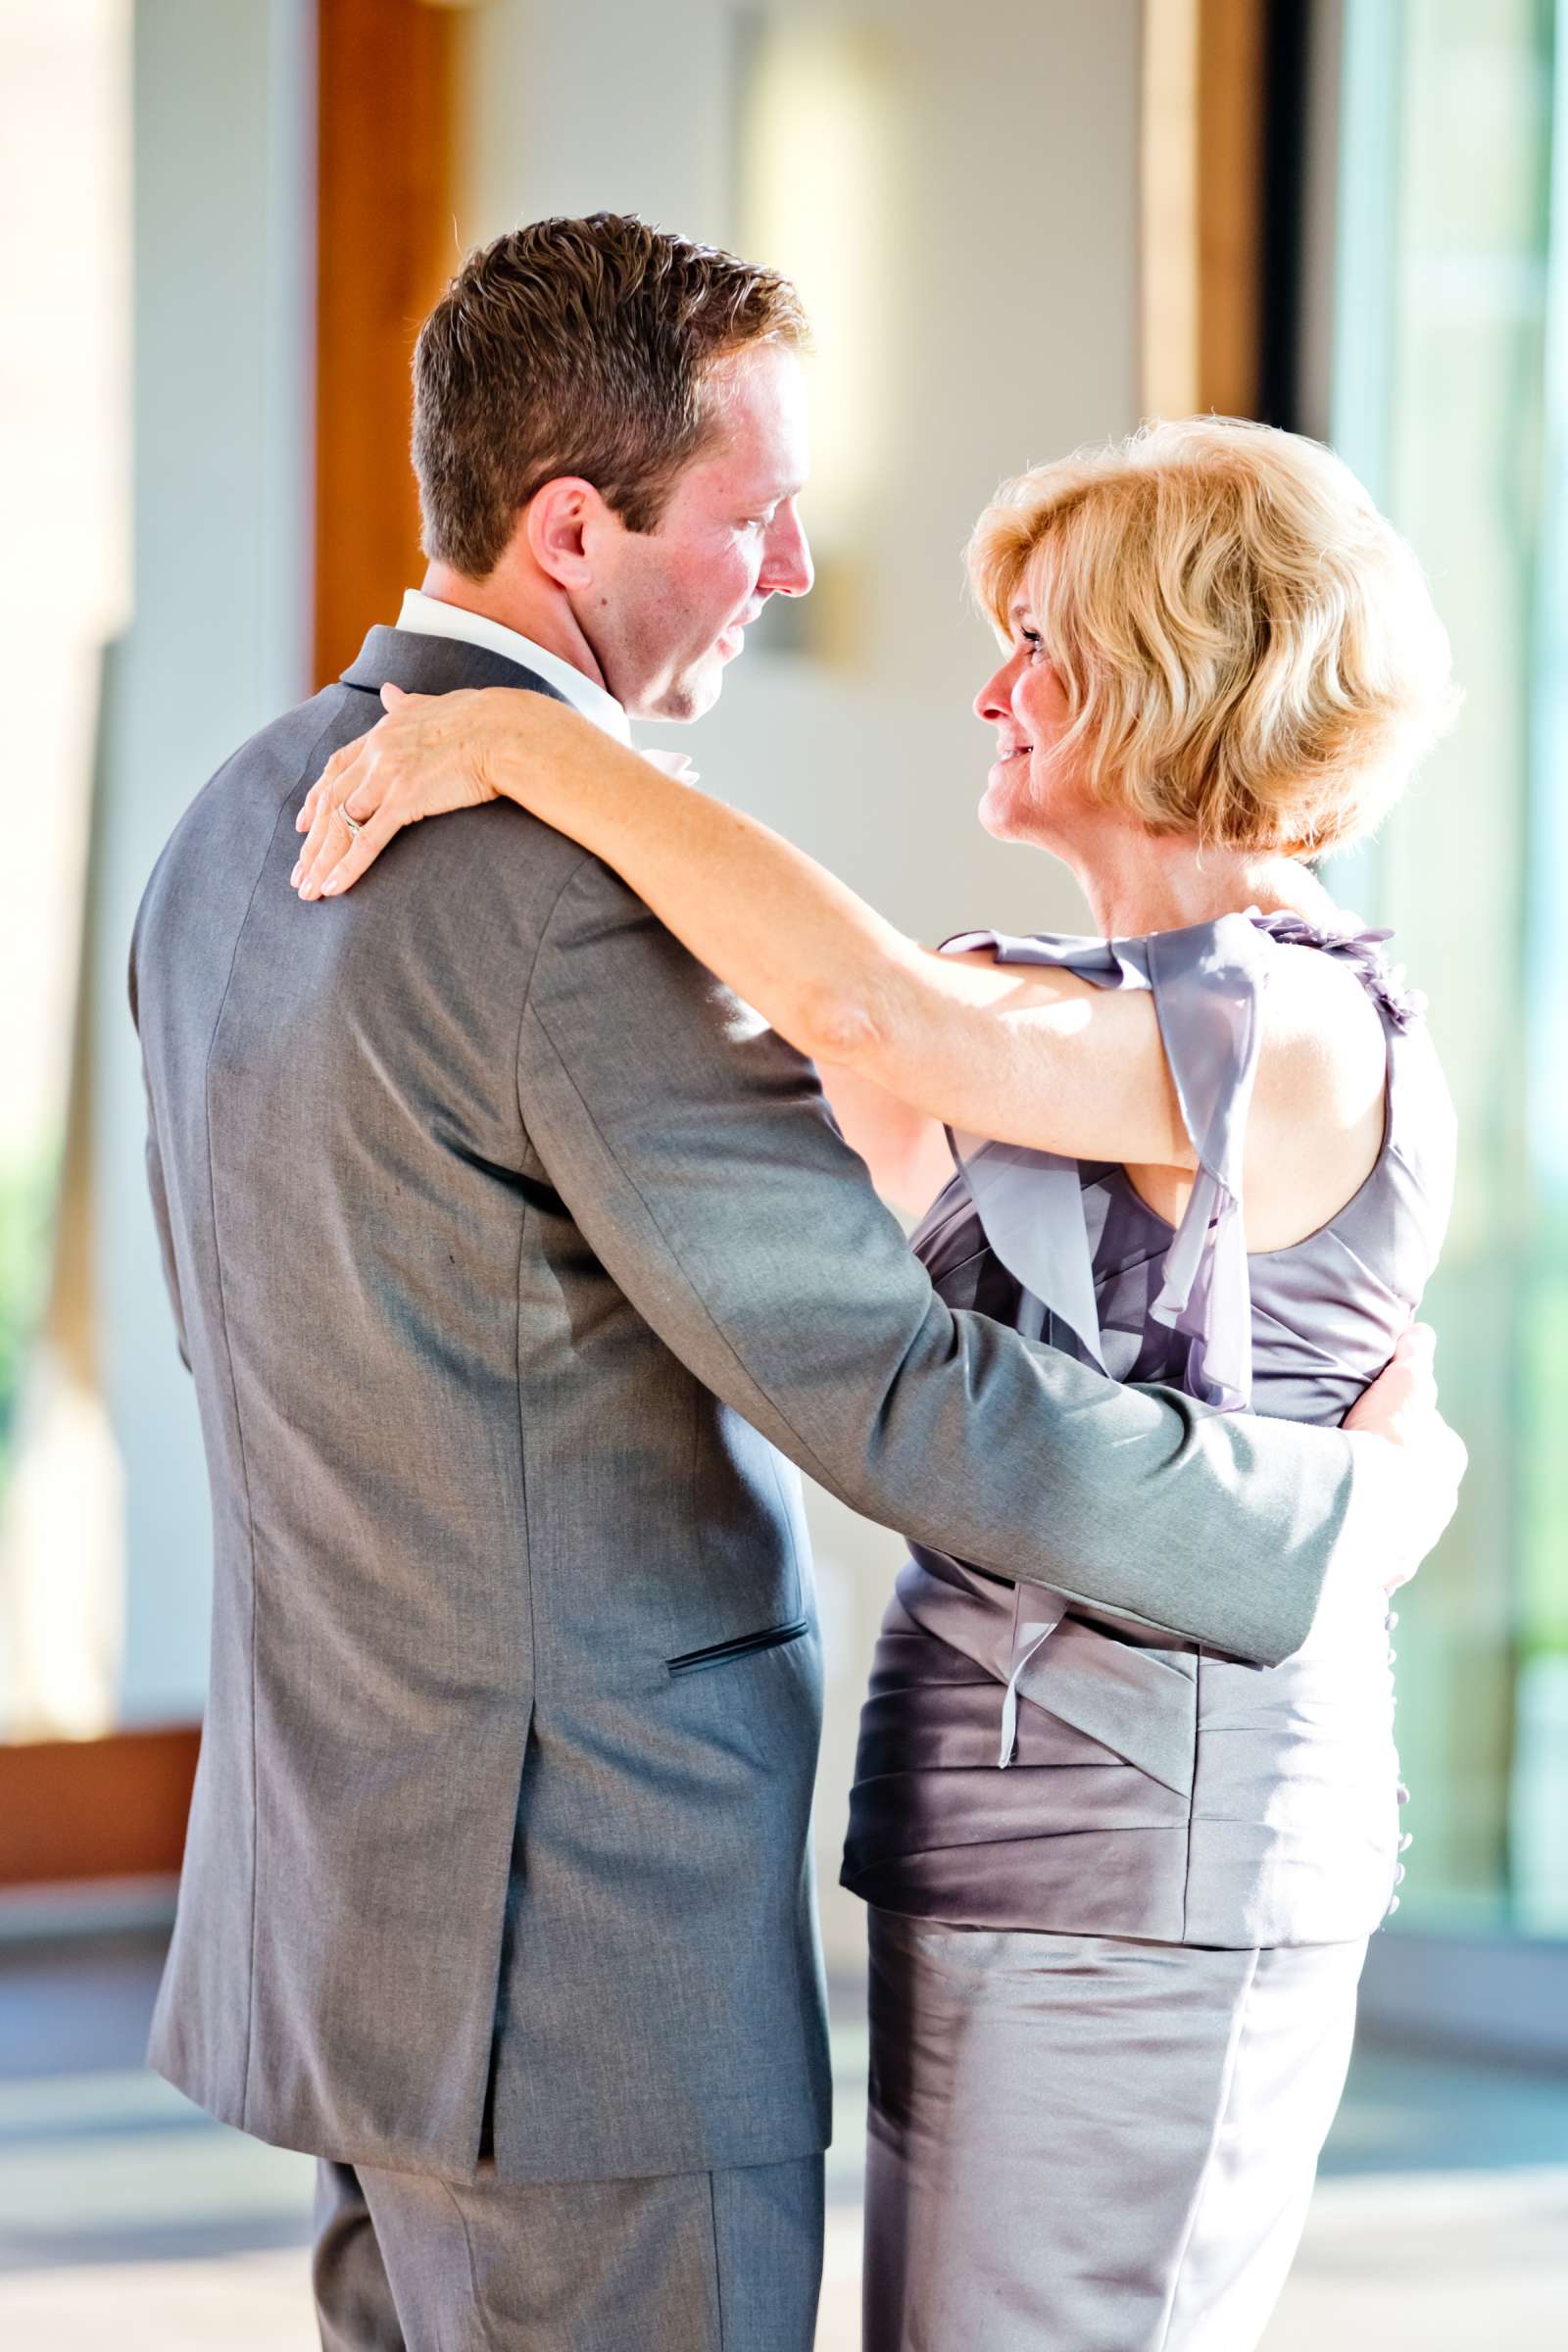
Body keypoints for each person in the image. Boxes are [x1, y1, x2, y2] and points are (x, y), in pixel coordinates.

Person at [131, 211, 1458, 2352]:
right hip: (581, 1952)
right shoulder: (561, 902)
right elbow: (902, 1395)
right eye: (755, 516)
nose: (798, 570)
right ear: (575, 529)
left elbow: (250, 1342)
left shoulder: (237, 821)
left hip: (350, 1913)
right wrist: (1345, 1518)